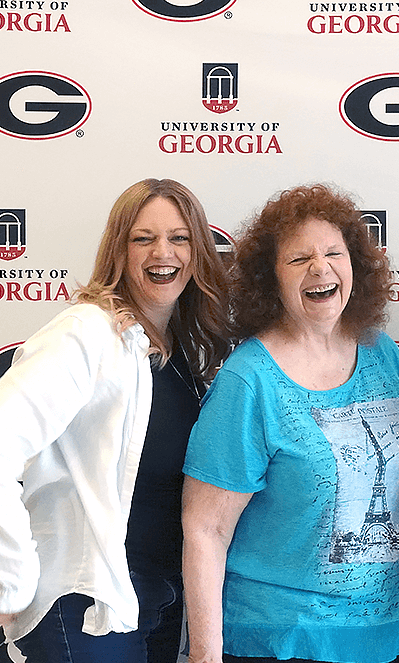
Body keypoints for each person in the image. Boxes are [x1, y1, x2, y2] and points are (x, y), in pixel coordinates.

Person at [182, 184, 399, 663]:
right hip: (282, 641)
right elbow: (204, 529)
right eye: (298, 259)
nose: (320, 267)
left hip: (394, 637)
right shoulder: (251, 380)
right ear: (269, 280)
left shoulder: (381, 351)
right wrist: (205, 654)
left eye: (334, 252)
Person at [0, 178, 230, 663]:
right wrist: (10, 580)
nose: (162, 252)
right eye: (142, 238)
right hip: (86, 606)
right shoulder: (86, 332)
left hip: (160, 600)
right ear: (118, 251)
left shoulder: (178, 350)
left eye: (179, 237)